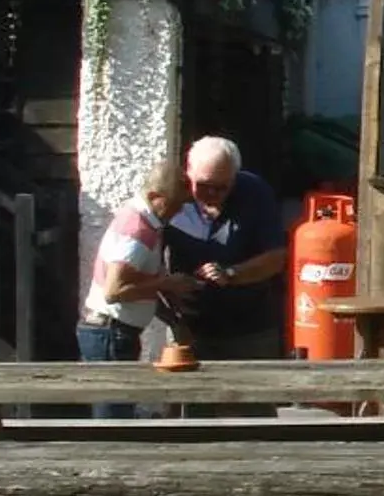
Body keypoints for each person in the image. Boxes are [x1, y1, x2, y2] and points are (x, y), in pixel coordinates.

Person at [79, 161, 192, 415]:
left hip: (111, 332)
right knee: (113, 423)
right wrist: (167, 283)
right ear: (154, 197)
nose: (177, 213)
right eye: (174, 205)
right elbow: (114, 291)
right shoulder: (138, 230)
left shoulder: (144, 221)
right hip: (109, 334)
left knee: (119, 414)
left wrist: (172, 319)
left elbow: (139, 284)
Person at [170, 135, 289, 361]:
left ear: (234, 177)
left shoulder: (254, 193)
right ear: (189, 172)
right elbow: (145, 253)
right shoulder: (173, 196)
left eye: (222, 187)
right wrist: (169, 293)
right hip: (191, 329)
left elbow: (276, 257)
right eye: (204, 185)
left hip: (250, 330)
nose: (212, 194)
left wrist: (231, 273)